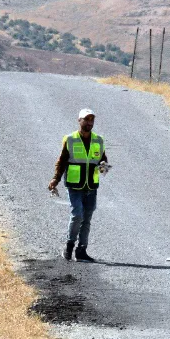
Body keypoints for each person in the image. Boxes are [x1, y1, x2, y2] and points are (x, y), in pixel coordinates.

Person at [48, 109, 107, 262]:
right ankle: (69, 247)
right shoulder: (70, 139)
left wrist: (103, 167)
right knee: (77, 215)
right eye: (86, 119)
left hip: (91, 186)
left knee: (87, 218)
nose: (89, 123)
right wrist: (56, 179)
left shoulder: (98, 140)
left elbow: (103, 161)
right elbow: (62, 161)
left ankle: (81, 250)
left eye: (92, 120)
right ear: (79, 120)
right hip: (74, 185)